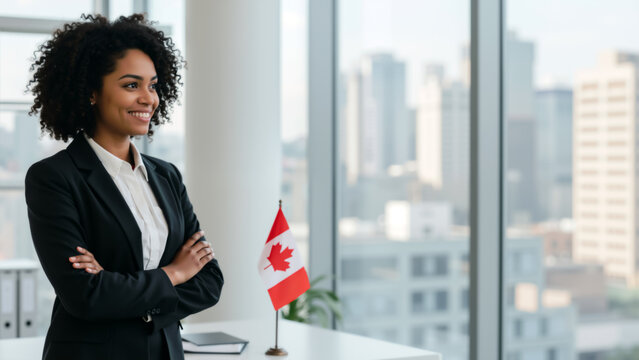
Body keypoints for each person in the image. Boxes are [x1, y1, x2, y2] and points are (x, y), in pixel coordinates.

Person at [24, 13, 223, 360]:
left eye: (153, 84)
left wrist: (122, 290)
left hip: (165, 352)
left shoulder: (167, 176)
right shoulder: (54, 178)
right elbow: (85, 296)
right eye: (132, 85)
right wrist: (174, 273)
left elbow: (208, 282)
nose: (149, 98)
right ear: (91, 92)